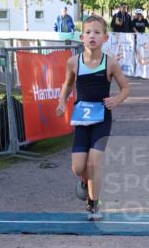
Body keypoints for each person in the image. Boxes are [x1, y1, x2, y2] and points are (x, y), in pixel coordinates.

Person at [56, 14, 131, 221]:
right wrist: (62, 101)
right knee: (79, 167)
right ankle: (84, 180)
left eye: (97, 32)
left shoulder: (110, 63)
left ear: (105, 38)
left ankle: (93, 205)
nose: (92, 36)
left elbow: (125, 88)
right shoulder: (73, 62)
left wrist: (116, 100)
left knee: (93, 163)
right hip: (82, 119)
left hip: (102, 119)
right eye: (88, 32)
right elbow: (67, 84)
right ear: (82, 37)